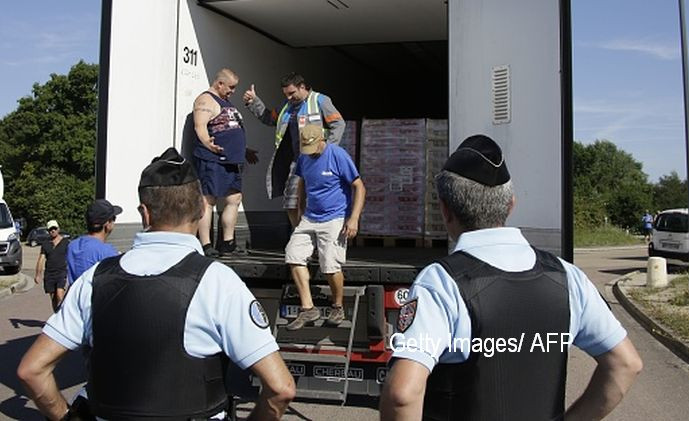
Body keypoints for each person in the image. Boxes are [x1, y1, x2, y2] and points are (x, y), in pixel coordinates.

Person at [17, 147, 295, 421]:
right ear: (200, 209)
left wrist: (68, 418)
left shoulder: (95, 279)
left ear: (144, 213)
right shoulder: (218, 282)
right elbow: (280, 388)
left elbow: (32, 370)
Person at [379, 135, 643, 421]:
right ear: (511, 205)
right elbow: (625, 364)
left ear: (445, 210)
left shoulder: (442, 282)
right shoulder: (567, 278)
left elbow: (403, 394)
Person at [284, 124, 365, 330]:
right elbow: (302, 182)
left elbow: (359, 186)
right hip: (310, 217)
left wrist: (354, 218)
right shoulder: (304, 157)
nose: (310, 153)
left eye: (313, 148)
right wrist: (301, 208)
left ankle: (337, 306)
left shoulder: (337, 155)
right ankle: (308, 308)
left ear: (322, 140)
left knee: (329, 264)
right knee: (293, 254)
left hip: (334, 217)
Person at [243, 72, 345, 227]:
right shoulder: (286, 106)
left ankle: (313, 238)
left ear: (302, 87)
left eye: (292, 93)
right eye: (286, 94)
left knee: (313, 200)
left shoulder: (320, 101)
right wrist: (254, 102)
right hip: (295, 162)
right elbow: (269, 118)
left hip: (316, 160)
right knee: (291, 202)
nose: (289, 97)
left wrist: (328, 150)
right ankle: (298, 234)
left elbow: (338, 124)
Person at [193, 68, 257, 256]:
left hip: (232, 160)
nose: (232, 91)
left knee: (234, 199)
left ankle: (228, 243)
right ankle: (205, 245)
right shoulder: (205, 100)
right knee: (208, 200)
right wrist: (207, 143)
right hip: (213, 159)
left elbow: (229, 128)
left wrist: (244, 150)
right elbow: (200, 126)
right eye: (230, 87)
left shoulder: (225, 102)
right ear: (219, 83)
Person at [66, 199, 121, 283]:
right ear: (107, 223)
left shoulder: (72, 246)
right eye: (113, 219)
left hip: (76, 295)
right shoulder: (106, 252)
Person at [34, 220, 70, 312]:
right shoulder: (46, 244)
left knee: (60, 294)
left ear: (58, 229)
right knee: (53, 297)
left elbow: (71, 257)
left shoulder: (66, 243)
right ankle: (56, 315)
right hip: (49, 274)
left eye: (54, 228)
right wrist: (38, 274)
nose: (53, 231)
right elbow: (41, 259)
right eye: (50, 229)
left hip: (61, 272)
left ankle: (64, 316)